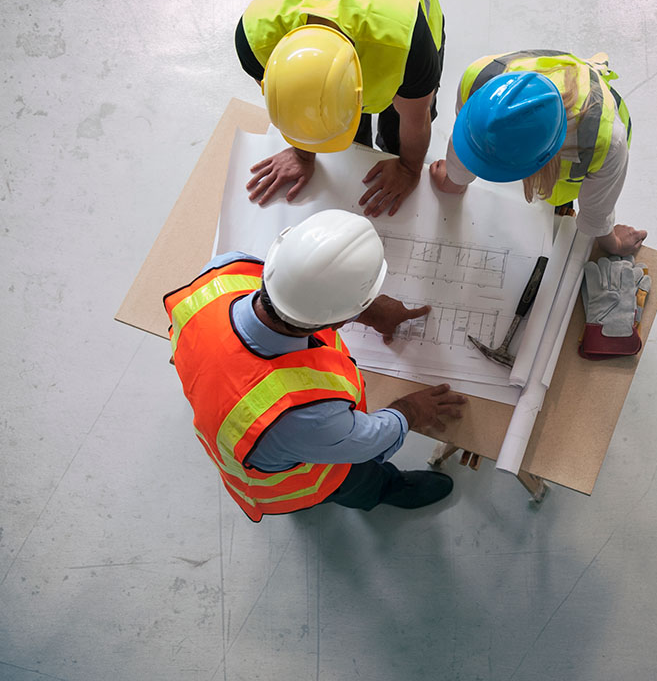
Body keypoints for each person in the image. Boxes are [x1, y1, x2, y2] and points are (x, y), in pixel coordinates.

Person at [164, 209, 467, 521]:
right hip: (296, 475)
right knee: (357, 481)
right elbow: (368, 442)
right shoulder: (302, 416)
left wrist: (365, 310)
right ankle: (385, 489)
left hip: (241, 422)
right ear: (338, 321)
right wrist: (412, 410)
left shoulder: (224, 272)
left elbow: (296, 295)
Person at [235, 0, 446, 217]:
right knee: (345, 132)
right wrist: (303, 153)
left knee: (397, 129)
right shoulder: (255, 40)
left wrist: (407, 168)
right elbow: (298, 106)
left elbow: (416, 118)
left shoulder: (406, 47)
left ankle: (391, 151)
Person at [429, 50, 647, 256]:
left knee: (555, 202)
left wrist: (613, 244)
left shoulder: (606, 143)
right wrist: (454, 180)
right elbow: (469, 135)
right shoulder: (479, 78)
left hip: (579, 159)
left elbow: (595, 212)